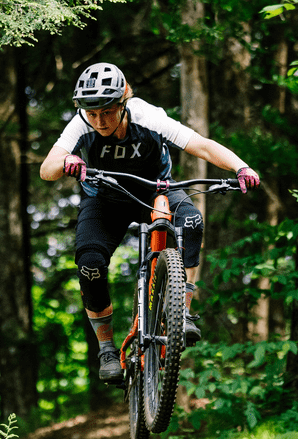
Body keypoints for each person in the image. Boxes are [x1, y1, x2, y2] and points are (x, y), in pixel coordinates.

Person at [40, 62, 260, 384]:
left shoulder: (147, 117)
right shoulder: (81, 123)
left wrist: (242, 168)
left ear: (123, 102)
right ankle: (106, 348)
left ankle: (181, 312)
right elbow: (48, 168)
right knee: (90, 263)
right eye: (92, 113)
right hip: (105, 200)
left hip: (155, 192)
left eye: (107, 112)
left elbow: (199, 144)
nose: (99, 121)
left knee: (191, 223)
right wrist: (67, 160)